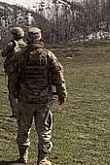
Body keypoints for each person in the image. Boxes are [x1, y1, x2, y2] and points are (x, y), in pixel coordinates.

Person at [7, 27, 67, 165]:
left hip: (25, 99)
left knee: (23, 129)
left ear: (27, 39)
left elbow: (12, 76)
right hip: (43, 100)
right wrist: (62, 93)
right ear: (40, 38)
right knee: (44, 131)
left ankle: (23, 158)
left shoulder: (19, 55)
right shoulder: (48, 55)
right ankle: (42, 159)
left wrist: (14, 92)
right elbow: (58, 75)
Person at [2, 27, 26, 118]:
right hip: (23, 71)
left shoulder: (12, 44)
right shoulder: (25, 44)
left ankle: (15, 112)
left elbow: (3, 53)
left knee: (12, 91)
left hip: (12, 71)